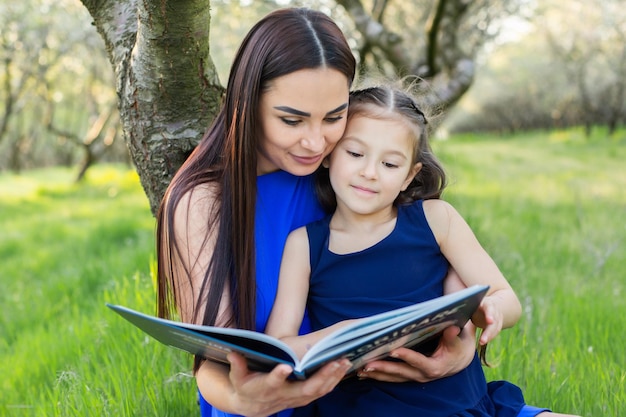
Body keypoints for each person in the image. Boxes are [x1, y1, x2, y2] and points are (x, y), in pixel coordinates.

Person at [155, 7, 480, 417]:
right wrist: (244, 400)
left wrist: (461, 346)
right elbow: (212, 359)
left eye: (334, 117)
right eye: (292, 120)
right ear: (247, 103)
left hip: (382, 401)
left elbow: (428, 255)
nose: (314, 142)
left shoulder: (347, 170)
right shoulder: (202, 202)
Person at [265, 84, 580, 417]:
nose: (369, 172)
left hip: (457, 400)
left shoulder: (436, 219)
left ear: (409, 176)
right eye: (355, 154)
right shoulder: (305, 244)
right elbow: (280, 347)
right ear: (329, 155)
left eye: (390, 164)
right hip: (361, 406)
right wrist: (341, 335)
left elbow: (508, 299)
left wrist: (490, 309)